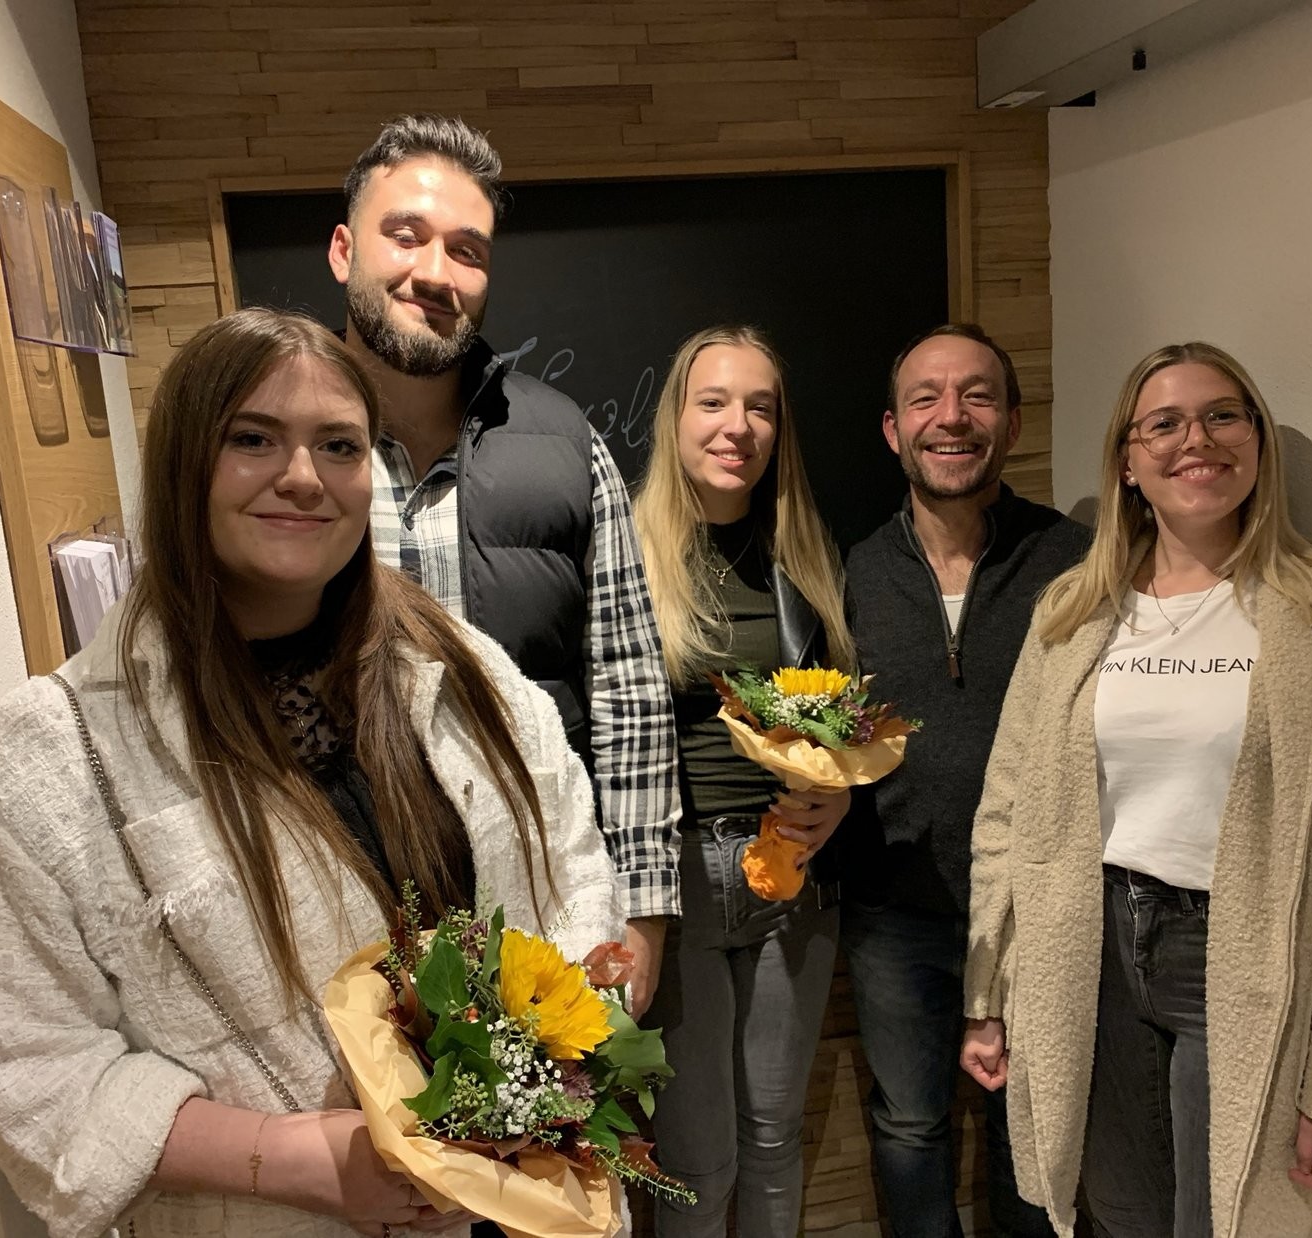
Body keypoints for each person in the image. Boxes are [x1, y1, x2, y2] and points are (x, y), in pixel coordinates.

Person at [0, 309, 621, 1238]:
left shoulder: (454, 662)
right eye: (253, 439)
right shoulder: (47, 766)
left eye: (337, 445)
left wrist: (562, 1065)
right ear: (183, 462)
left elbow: (570, 858)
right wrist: (303, 1161)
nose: (302, 478)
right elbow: (43, 1078)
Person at [960, 342, 1312, 1238]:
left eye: (1221, 415)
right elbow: (1007, 810)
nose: (1194, 441)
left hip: (1242, 961)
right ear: (1128, 462)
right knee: (1125, 1215)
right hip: (1092, 950)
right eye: (1162, 424)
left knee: (1234, 1221)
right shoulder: (1073, 613)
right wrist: (992, 985)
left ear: (1256, 441)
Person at [328, 114, 679, 1019]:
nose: (434, 273)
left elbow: (629, 689)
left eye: (468, 250)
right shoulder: (272, 453)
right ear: (343, 250)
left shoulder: (566, 444)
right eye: (404, 235)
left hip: (542, 911)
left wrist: (641, 920)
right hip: (336, 916)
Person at [842, 324, 1085, 1237]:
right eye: (926, 400)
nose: (952, 418)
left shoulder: (1076, 561)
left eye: (977, 396)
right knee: (909, 1127)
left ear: (1013, 422)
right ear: (893, 430)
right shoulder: (851, 571)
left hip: (1038, 910)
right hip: (895, 909)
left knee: (1030, 1126)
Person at [631, 325, 856, 1236]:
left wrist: (839, 789)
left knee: (771, 1141)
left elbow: (837, 717)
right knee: (696, 1159)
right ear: (676, 420)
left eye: (760, 406)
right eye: (714, 402)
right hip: (674, 885)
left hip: (791, 877)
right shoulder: (628, 560)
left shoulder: (803, 557)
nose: (739, 426)